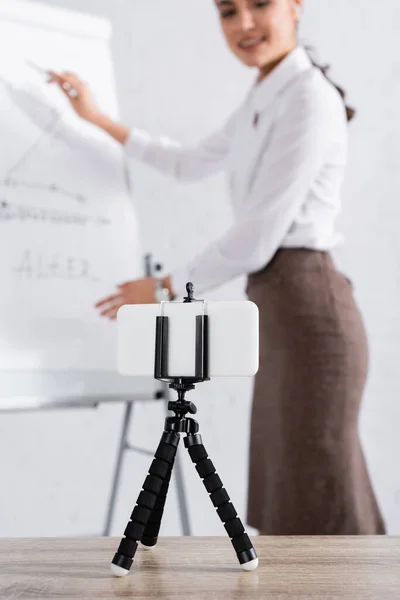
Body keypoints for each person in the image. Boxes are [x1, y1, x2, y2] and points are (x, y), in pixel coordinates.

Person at [49, 0, 386, 535]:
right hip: (280, 312)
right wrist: (96, 120)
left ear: (296, 6)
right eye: (228, 11)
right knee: (294, 494)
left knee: (320, 495)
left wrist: (162, 287)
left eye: (259, 5)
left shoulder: (308, 100)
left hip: (309, 313)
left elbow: (256, 237)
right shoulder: (268, 94)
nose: (244, 24)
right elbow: (188, 162)